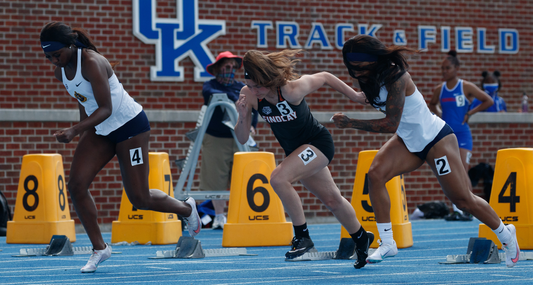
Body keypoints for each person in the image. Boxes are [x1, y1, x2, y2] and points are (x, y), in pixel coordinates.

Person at [331, 34, 519, 268]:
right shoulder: (368, 77)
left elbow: (390, 123)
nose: (356, 72)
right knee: (375, 175)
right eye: (351, 67)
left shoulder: (397, 76)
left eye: (359, 66)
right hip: (408, 140)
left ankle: (505, 233)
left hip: (435, 139)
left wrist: (351, 122)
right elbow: (369, 100)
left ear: (372, 60)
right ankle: (388, 242)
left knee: (462, 200)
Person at [40, 22, 201, 273]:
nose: (52, 60)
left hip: (130, 128)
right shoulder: (60, 72)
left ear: (71, 47)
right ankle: (100, 249)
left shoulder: (92, 62)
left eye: (56, 54)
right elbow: (85, 103)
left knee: (140, 198)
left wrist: (75, 130)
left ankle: (186, 207)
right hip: (101, 130)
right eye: (47, 56)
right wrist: (83, 128)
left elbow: (106, 108)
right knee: (76, 184)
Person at [234, 49, 374, 269]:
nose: (254, 91)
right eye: (250, 86)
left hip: (317, 144)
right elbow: (242, 138)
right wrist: (242, 117)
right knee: (332, 200)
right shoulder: (249, 95)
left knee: (279, 178)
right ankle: (361, 237)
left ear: (270, 80)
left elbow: (326, 76)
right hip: (298, 152)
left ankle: (302, 237)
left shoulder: (291, 90)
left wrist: (355, 96)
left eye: (258, 87)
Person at [428, 51, 493, 221]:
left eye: (448, 68)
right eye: (442, 68)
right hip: (446, 136)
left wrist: (469, 113)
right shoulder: (439, 89)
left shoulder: (466, 87)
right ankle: (458, 209)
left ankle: (470, 209)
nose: (444, 71)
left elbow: (488, 100)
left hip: (463, 135)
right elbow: (432, 104)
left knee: (462, 171)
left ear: (456, 68)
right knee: (450, 173)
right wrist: (440, 116)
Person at [201, 51, 258, 229]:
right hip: (216, 138)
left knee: (243, 176)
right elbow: (214, 95)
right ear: (218, 68)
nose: (230, 70)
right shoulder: (209, 86)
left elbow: (253, 106)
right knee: (216, 178)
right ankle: (218, 216)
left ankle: (242, 214)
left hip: (239, 137)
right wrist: (235, 100)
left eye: (233, 67)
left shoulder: (241, 87)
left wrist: (251, 125)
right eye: (226, 66)